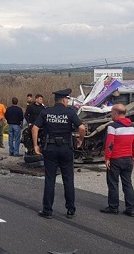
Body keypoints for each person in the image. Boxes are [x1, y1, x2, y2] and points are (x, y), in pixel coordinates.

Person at [32, 88, 85, 219]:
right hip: (66, 149)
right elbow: (82, 127)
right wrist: (80, 140)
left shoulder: (46, 112)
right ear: (64, 100)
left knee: (50, 179)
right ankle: (70, 209)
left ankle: (47, 210)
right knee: (68, 179)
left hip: (50, 148)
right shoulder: (70, 112)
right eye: (67, 99)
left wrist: (35, 146)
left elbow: (34, 128)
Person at [100, 103, 134, 217]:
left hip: (116, 159)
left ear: (116, 113)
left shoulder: (113, 126)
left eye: (112, 112)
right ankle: (130, 209)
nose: (111, 114)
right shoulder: (133, 127)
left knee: (113, 183)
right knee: (127, 184)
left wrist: (107, 158)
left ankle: (113, 207)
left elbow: (110, 144)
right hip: (128, 159)